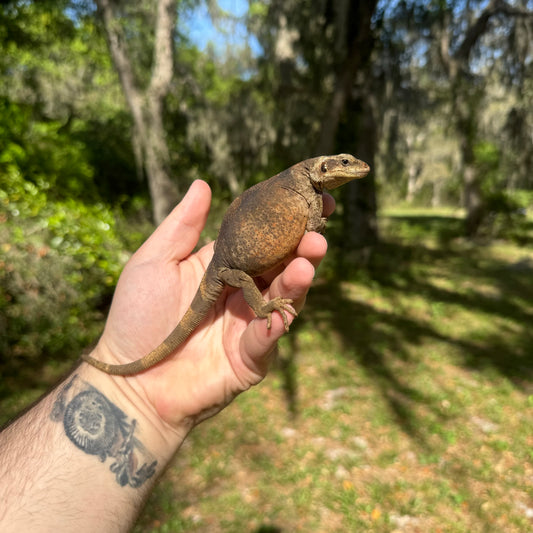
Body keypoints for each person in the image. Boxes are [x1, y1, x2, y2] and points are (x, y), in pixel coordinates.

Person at [0, 179, 332, 531]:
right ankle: (262, 311)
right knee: (263, 277)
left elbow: (301, 222)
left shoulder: (302, 189)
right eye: (343, 161)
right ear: (324, 167)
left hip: (229, 263)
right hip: (227, 268)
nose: (352, 167)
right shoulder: (297, 183)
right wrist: (261, 309)